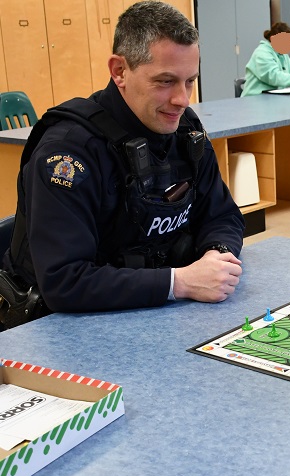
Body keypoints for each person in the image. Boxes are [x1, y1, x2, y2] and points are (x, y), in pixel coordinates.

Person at [0, 0, 243, 324]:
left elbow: (223, 214)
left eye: (190, 81)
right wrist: (180, 282)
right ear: (119, 71)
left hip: (156, 312)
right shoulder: (70, 153)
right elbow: (64, 282)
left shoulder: (184, 130)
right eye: (165, 81)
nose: (182, 100)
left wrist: (217, 255)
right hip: (59, 328)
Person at [241, 22, 290, 96]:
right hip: (255, 99)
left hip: (274, 98)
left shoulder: (282, 54)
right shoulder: (261, 53)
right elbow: (273, 76)